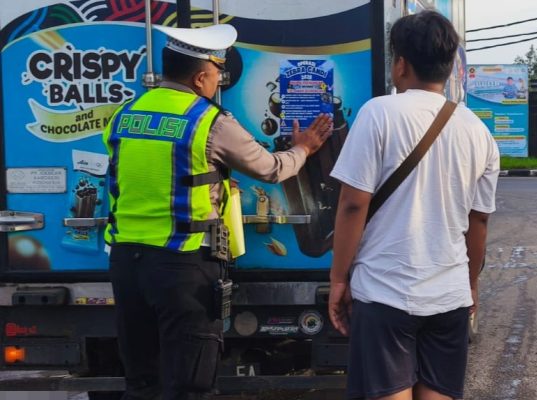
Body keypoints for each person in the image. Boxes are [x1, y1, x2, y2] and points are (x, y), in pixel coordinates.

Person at [103, 24, 331, 399]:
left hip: (126, 264)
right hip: (182, 267)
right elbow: (271, 169)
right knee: (191, 385)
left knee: (141, 382)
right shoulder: (209, 121)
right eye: (216, 75)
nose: (216, 84)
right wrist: (304, 148)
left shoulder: (124, 115)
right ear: (201, 76)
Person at [327, 10, 499, 400]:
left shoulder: (378, 113)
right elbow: (480, 221)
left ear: (400, 64)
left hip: (385, 292)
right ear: (450, 65)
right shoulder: (478, 131)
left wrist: (339, 279)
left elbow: (353, 205)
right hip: (449, 297)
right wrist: (470, 285)